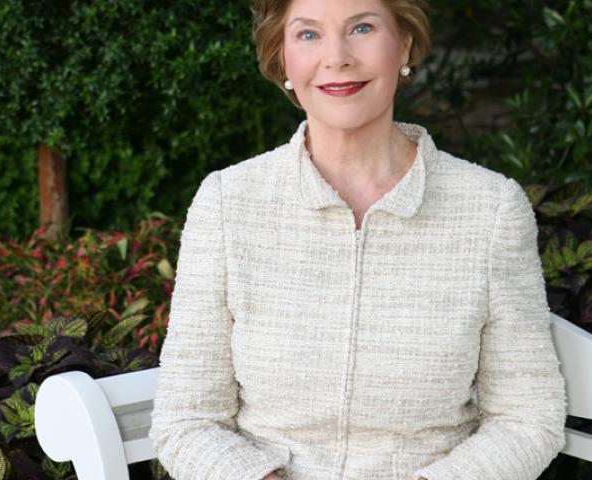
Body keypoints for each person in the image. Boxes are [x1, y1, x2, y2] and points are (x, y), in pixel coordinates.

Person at [148, 0, 568, 478]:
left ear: (404, 43)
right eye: (308, 34)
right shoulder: (227, 202)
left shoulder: (491, 208)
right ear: (283, 58)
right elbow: (186, 420)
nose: (337, 57)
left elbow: (527, 416)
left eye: (362, 28)